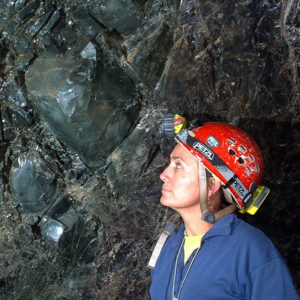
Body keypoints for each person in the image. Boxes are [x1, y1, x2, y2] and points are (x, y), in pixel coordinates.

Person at [149, 121, 299, 300]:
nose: (164, 174)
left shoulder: (250, 250)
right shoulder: (169, 246)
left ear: (211, 185)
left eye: (178, 165)